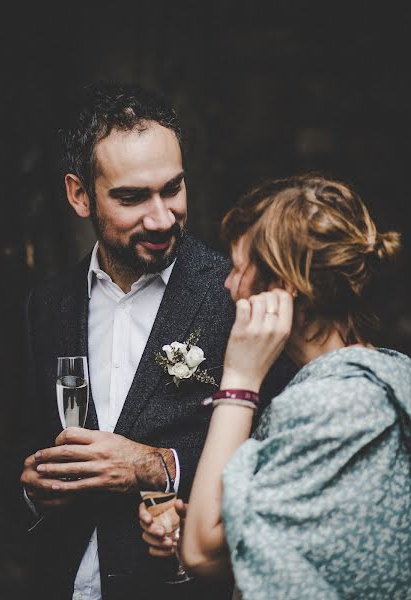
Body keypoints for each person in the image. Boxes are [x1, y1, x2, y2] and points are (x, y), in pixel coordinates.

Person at [18, 82, 290, 600]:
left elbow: (280, 447)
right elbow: (22, 439)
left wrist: (159, 465)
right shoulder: (46, 305)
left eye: (173, 188)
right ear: (79, 195)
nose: (162, 217)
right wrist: (32, 487)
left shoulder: (235, 291)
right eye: (132, 197)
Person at [140, 175, 411, 599]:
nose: (227, 284)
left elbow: (202, 553)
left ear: (282, 287)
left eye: (238, 268)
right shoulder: (366, 379)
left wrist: (239, 381)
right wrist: (224, 519)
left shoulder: (337, 404)